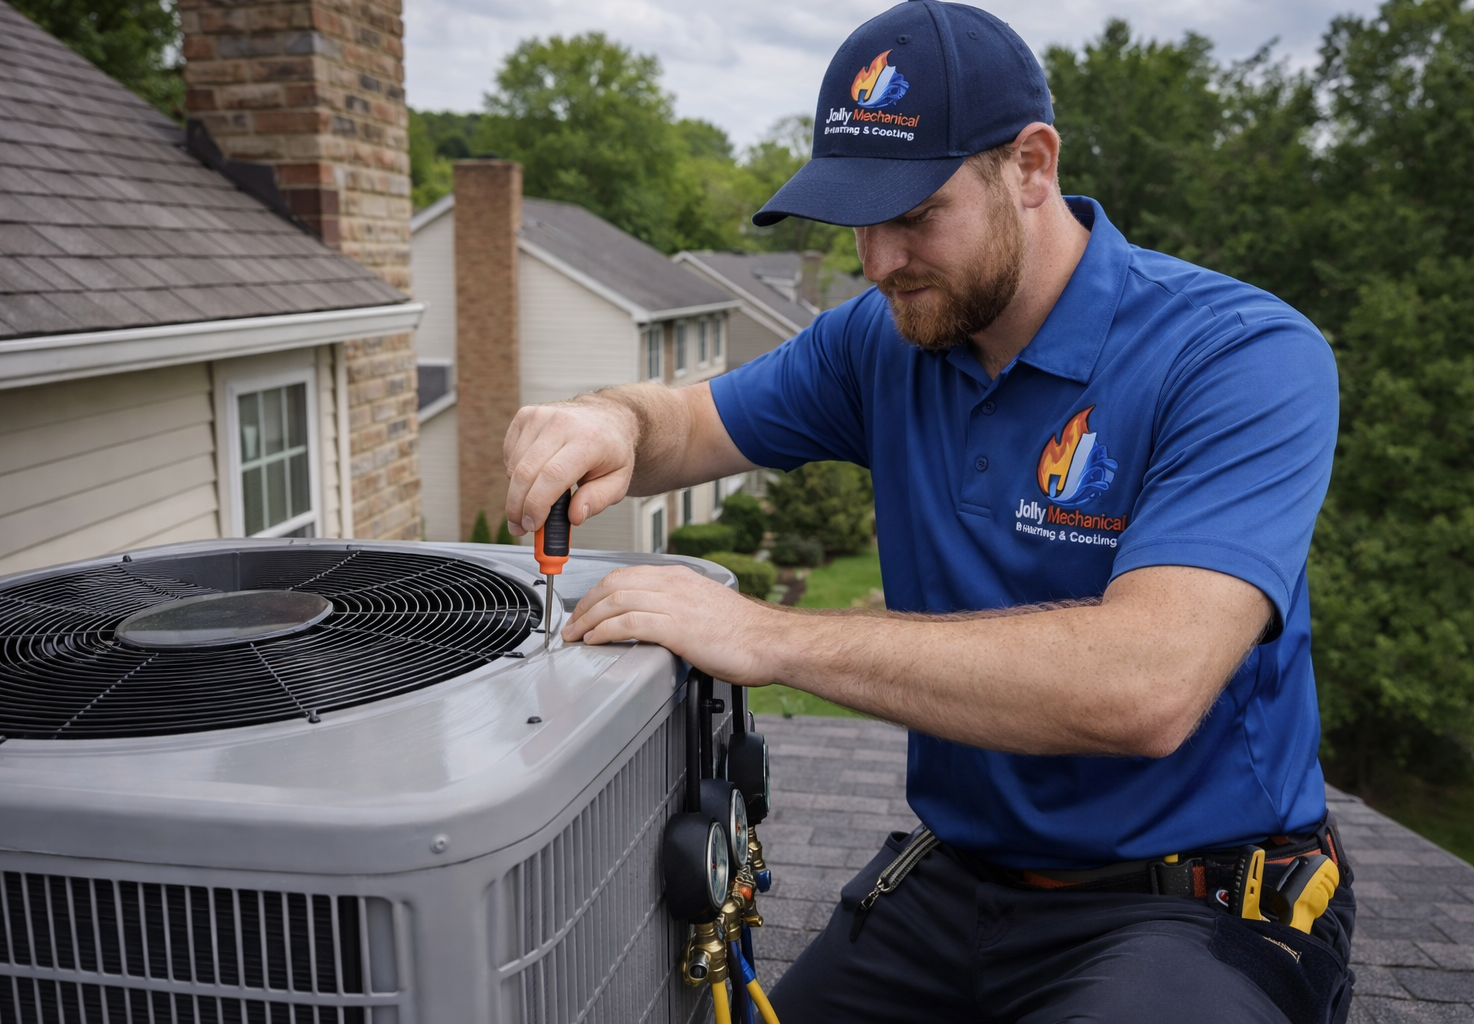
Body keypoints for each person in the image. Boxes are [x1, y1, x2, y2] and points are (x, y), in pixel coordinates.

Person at [501, 2, 1350, 1021]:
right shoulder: (882, 341)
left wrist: (767, 635)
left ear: (1031, 168)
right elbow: (686, 423)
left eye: (914, 214)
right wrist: (607, 421)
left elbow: (1147, 685)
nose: (877, 259)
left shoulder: (1237, 357)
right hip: (962, 886)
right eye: (857, 218)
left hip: (1188, 906)